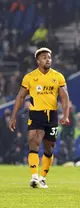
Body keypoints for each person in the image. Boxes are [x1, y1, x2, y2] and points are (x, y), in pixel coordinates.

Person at [8, 47, 70, 188]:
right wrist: (13, 116)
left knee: (48, 149)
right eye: (44, 57)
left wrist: (66, 115)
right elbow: (20, 97)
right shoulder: (30, 77)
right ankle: (34, 177)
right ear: (38, 60)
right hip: (36, 114)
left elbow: (64, 97)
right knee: (33, 140)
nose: (47, 59)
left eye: (49, 57)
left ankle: (43, 178)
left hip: (52, 115)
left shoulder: (58, 76)